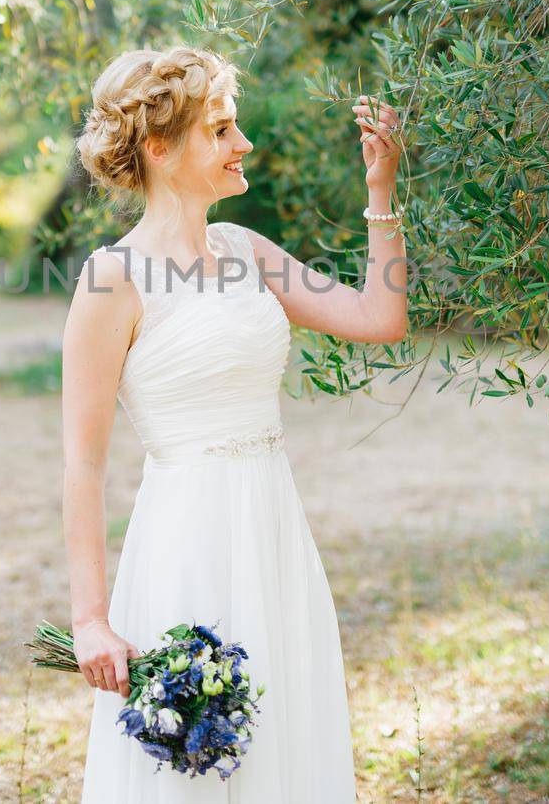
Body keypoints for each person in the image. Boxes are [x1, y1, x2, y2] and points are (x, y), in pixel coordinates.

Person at [61, 45, 406, 801]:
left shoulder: (246, 251)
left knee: (281, 743)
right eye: (220, 129)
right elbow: (82, 464)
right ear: (158, 147)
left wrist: (380, 191)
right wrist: (91, 618)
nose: (242, 143)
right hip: (185, 542)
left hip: (274, 531)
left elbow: (380, 317)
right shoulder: (111, 279)